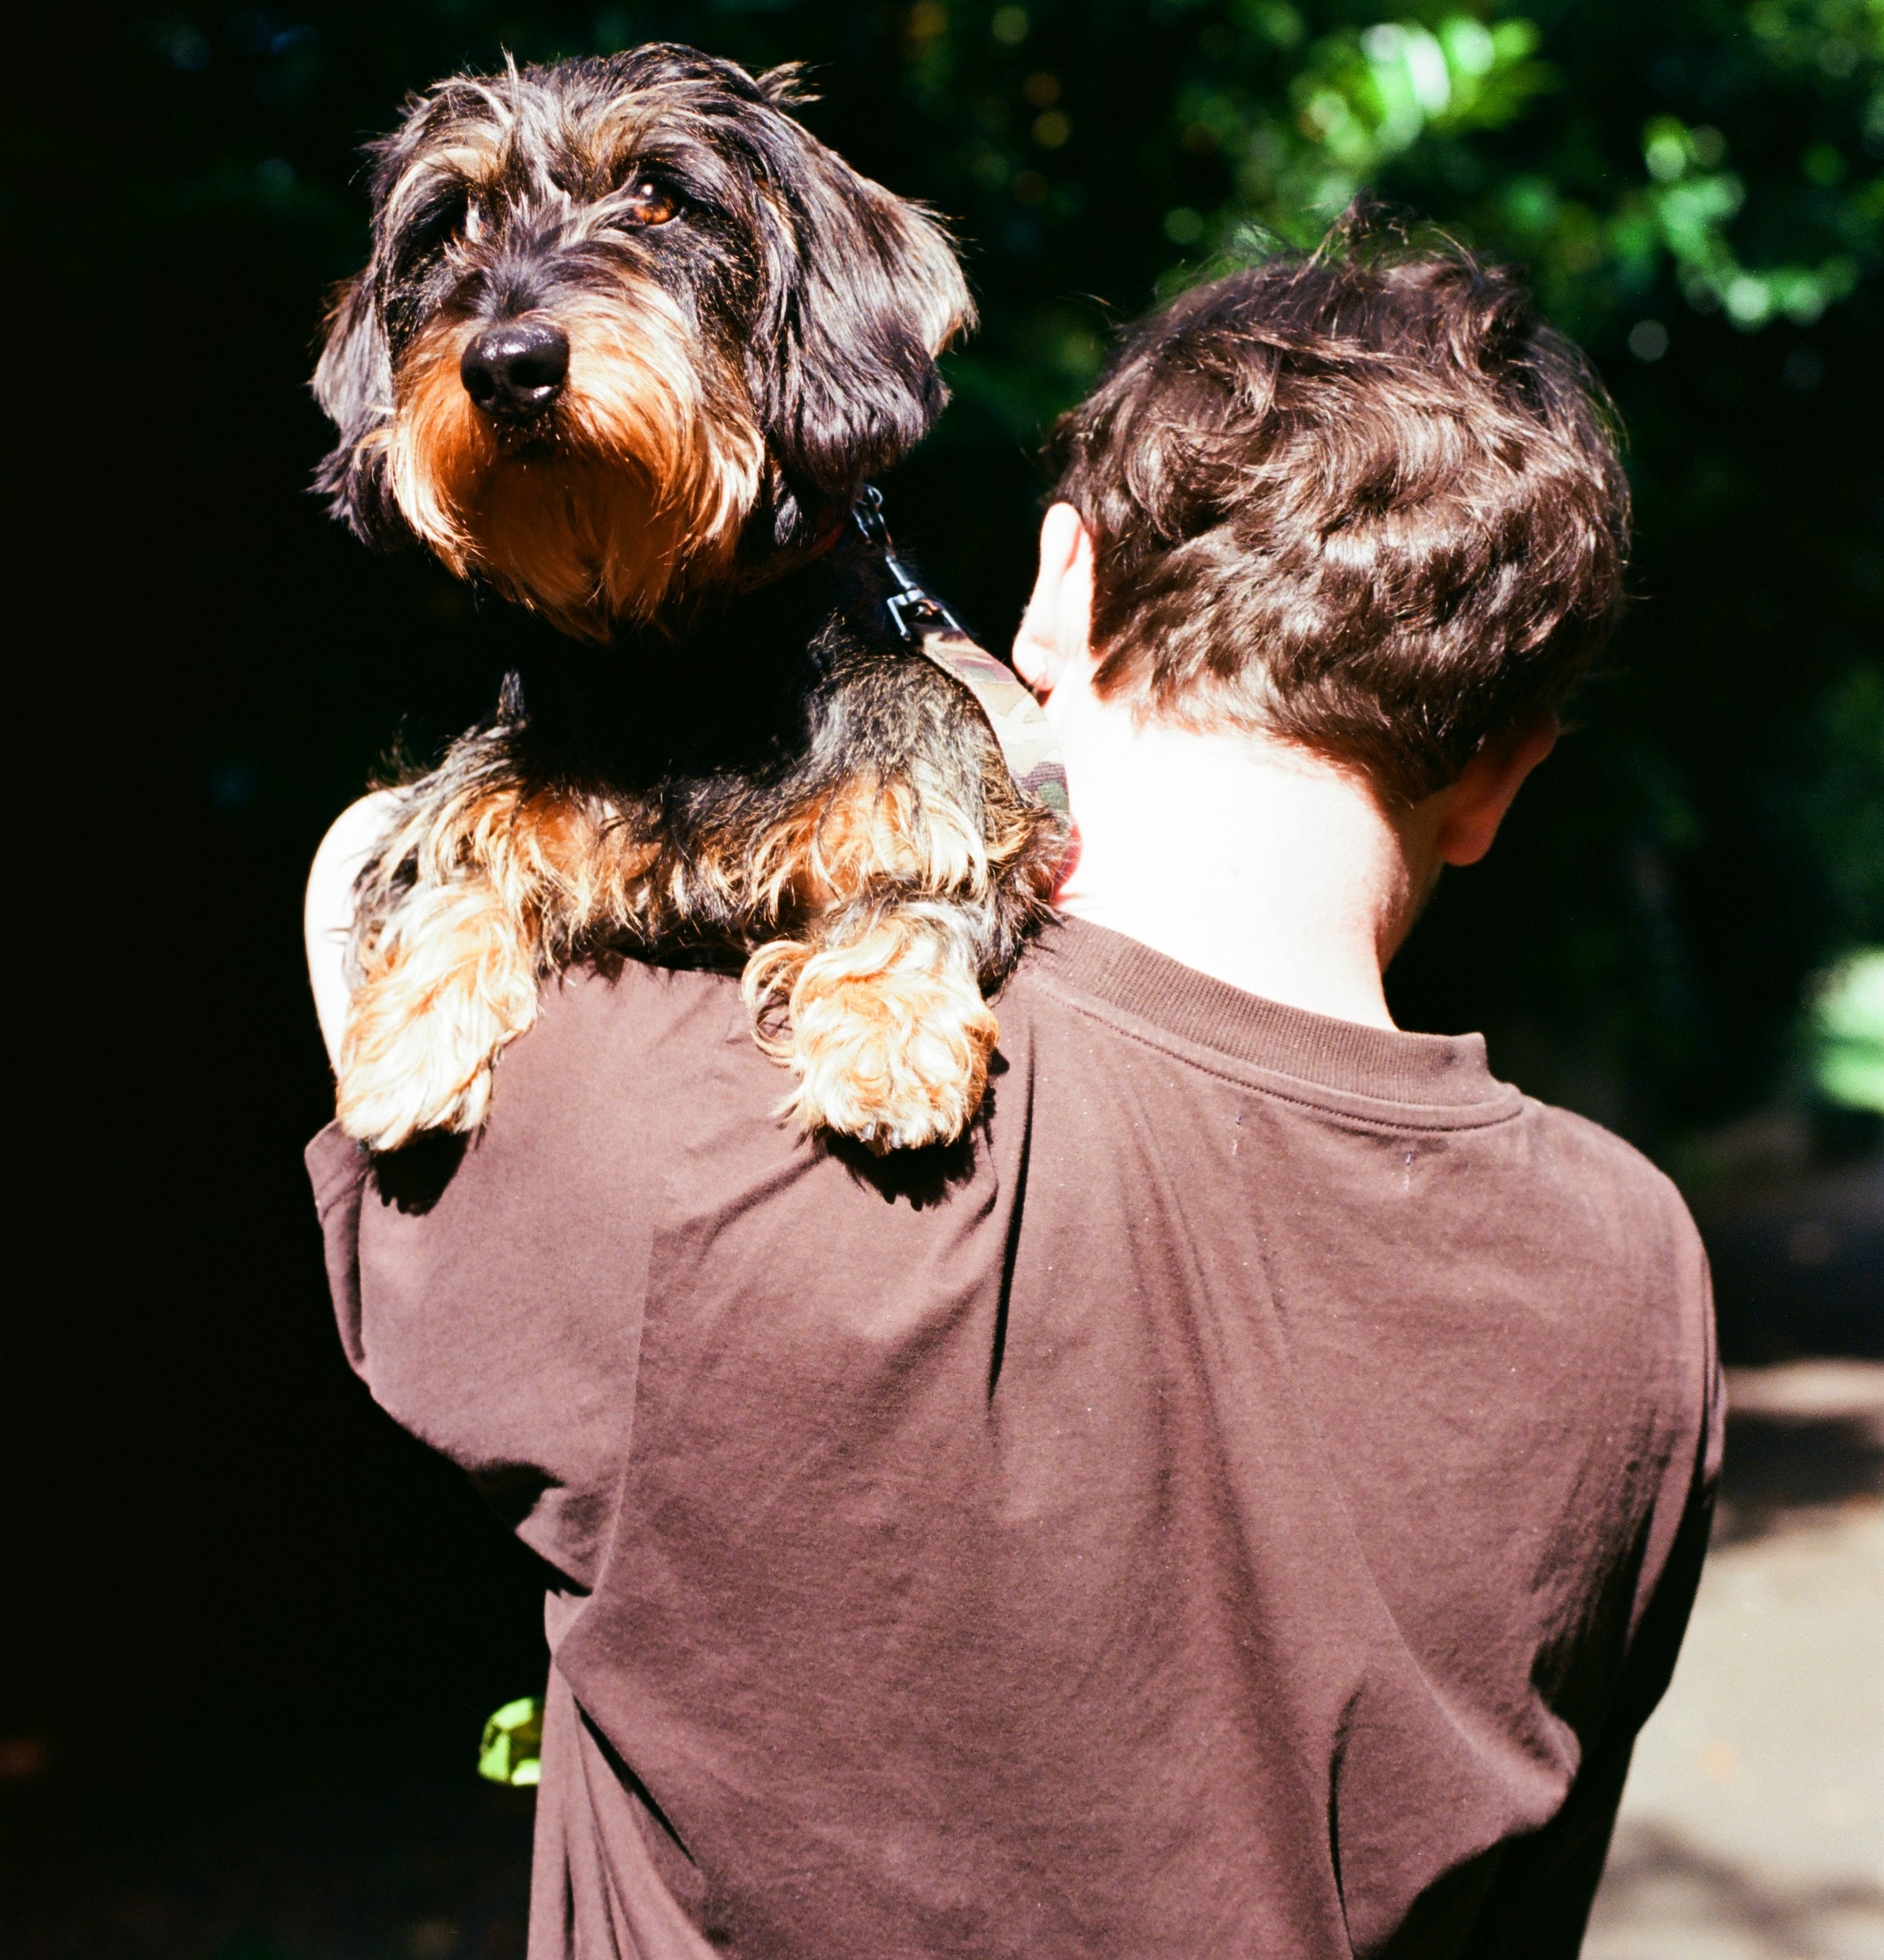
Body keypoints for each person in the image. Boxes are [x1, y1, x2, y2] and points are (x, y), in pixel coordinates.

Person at [305, 224, 1720, 1960]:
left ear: (1052, 590)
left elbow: (369, 909)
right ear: (1504, 774)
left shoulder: (646, 1118)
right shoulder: (1631, 1275)